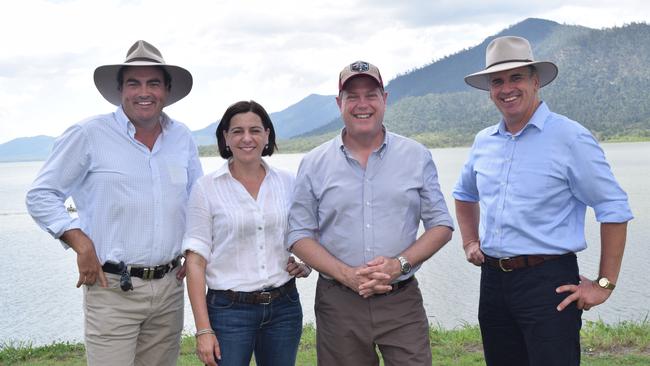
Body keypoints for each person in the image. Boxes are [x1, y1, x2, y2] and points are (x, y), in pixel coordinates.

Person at [453, 36, 633, 366]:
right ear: (490, 90)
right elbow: (464, 195)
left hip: (548, 282)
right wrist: (469, 241)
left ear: (536, 81)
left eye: (516, 77)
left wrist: (604, 284)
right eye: (498, 81)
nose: (507, 88)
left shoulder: (569, 137)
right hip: (493, 282)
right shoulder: (483, 142)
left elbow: (614, 208)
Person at [25, 40, 203, 365]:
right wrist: (80, 243)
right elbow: (41, 195)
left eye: (153, 83)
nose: (143, 92)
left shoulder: (182, 138)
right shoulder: (88, 134)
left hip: (168, 289)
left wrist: (193, 249)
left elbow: (196, 202)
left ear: (167, 89)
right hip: (111, 291)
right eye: (133, 83)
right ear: (120, 89)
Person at [288, 61, 454, 365]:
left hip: (400, 299)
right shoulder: (314, 163)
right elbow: (299, 234)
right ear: (339, 103)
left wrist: (398, 265)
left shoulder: (416, 156)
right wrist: (347, 275)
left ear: (385, 99)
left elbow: (441, 224)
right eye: (352, 96)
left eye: (371, 95)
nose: (362, 104)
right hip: (338, 303)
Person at [183, 100, 311, 366]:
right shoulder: (206, 188)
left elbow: (305, 232)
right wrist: (204, 330)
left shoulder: (288, 182)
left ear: (267, 135)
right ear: (225, 138)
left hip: (284, 306)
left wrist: (306, 264)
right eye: (237, 131)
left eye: (254, 130)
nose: (246, 138)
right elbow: (195, 262)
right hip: (228, 311)